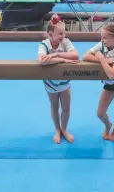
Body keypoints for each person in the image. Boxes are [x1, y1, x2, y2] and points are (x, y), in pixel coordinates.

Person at [37, 14, 79, 144]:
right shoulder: (44, 44)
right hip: (50, 82)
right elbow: (41, 61)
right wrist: (63, 59)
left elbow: (76, 55)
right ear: (50, 34)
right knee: (54, 107)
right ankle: (57, 129)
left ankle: (64, 129)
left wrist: (58, 54)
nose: (63, 36)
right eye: (60, 33)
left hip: (65, 82)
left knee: (66, 109)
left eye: (64, 33)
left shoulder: (65, 42)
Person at [83, 24, 114, 141]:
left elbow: (112, 74)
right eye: (101, 37)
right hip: (109, 83)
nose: (102, 40)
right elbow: (85, 56)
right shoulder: (102, 45)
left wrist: (102, 59)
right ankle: (108, 125)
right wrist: (105, 60)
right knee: (100, 113)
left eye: (105, 37)